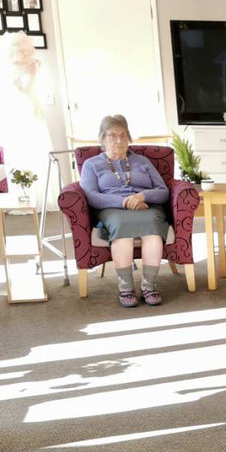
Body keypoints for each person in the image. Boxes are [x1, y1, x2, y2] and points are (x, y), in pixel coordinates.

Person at [79, 115, 170, 308]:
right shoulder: (92, 164)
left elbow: (163, 191)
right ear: (102, 139)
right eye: (112, 135)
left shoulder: (143, 161)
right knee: (121, 226)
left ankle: (149, 286)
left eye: (123, 135)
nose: (119, 140)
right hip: (112, 209)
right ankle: (126, 288)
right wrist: (124, 202)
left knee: (153, 227)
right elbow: (91, 195)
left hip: (146, 207)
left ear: (129, 138)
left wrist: (142, 196)